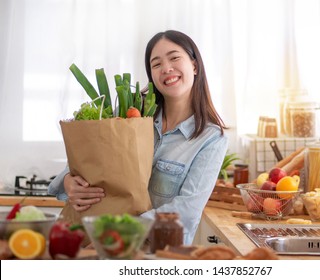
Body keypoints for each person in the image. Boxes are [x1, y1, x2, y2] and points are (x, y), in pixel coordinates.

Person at [48, 30, 228, 245]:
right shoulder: (128, 115)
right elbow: (87, 161)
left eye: (174, 57)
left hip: (156, 254)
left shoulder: (211, 138)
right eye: (156, 64)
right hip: (97, 245)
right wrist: (69, 181)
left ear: (195, 66)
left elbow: (187, 210)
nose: (166, 68)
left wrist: (120, 230)